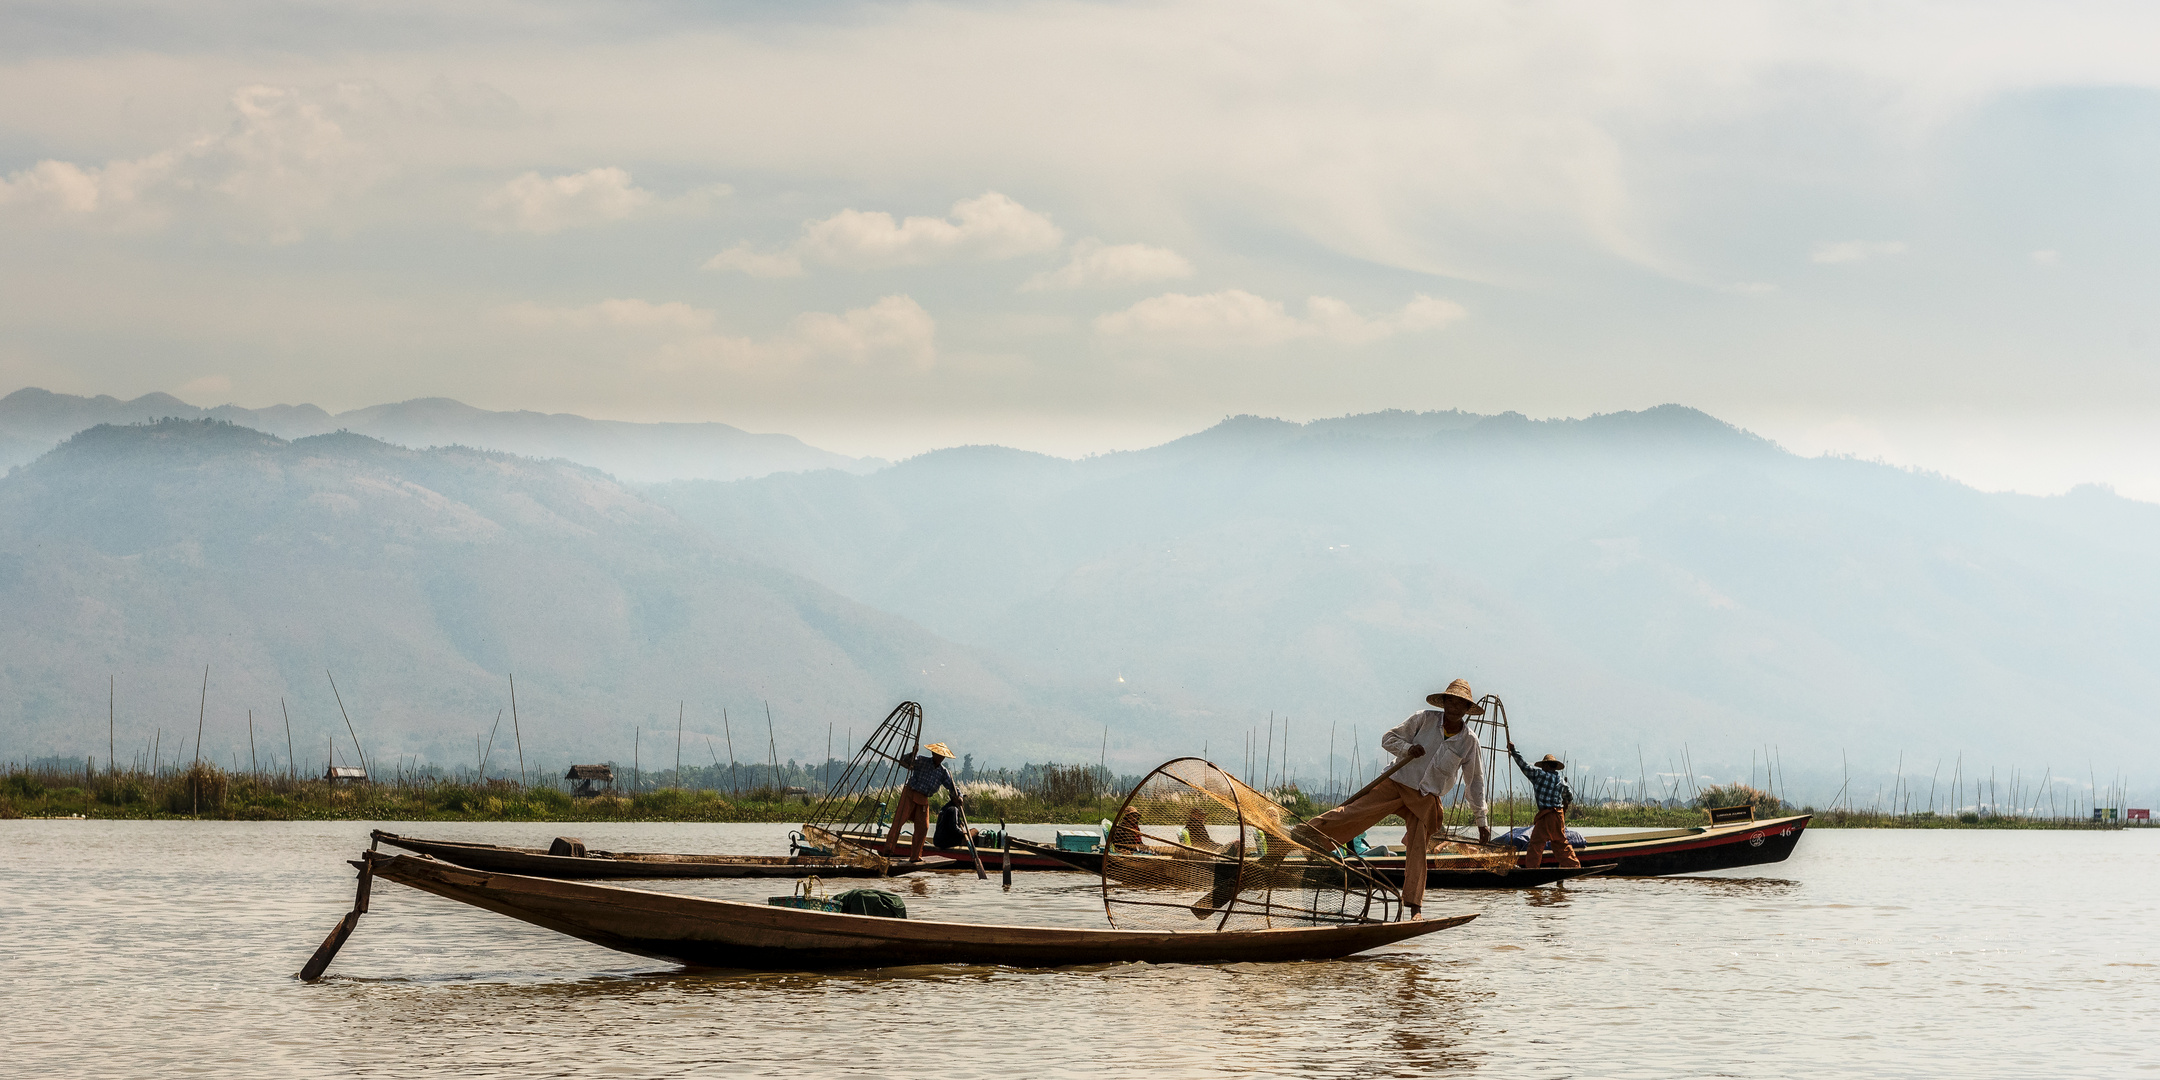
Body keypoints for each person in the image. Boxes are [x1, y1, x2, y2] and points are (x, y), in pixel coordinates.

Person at [1294, 679, 1493, 917]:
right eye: (1450, 701)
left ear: (1465, 709)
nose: (1453, 707)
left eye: (1459, 704)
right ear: (1444, 702)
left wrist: (1482, 820)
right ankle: (1302, 834)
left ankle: (1414, 907)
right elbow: (1388, 738)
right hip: (1397, 782)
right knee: (1353, 813)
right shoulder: (1424, 719)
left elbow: (1475, 781)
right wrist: (1408, 749)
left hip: (1425, 796)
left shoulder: (1469, 741)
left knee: (1418, 847)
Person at [1507, 742, 1580, 869]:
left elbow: (1523, 766)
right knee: (1561, 844)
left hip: (1546, 816)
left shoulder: (1539, 775)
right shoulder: (1561, 781)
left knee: (1536, 845)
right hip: (1558, 816)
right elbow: (1569, 797)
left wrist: (1513, 751)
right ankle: (1574, 866)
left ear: (1546, 766)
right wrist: (1564, 806)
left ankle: (1532, 870)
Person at [886, 742, 961, 862]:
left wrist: (958, 796)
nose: (940, 758)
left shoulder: (943, 772)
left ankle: (915, 857)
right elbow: (905, 762)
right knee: (899, 821)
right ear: (933, 753)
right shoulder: (921, 760)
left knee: (923, 828)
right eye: (938, 754)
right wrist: (913, 753)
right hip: (910, 793)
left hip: (923, 798)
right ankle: (888, 850)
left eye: (942, 756)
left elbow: (951, 786)